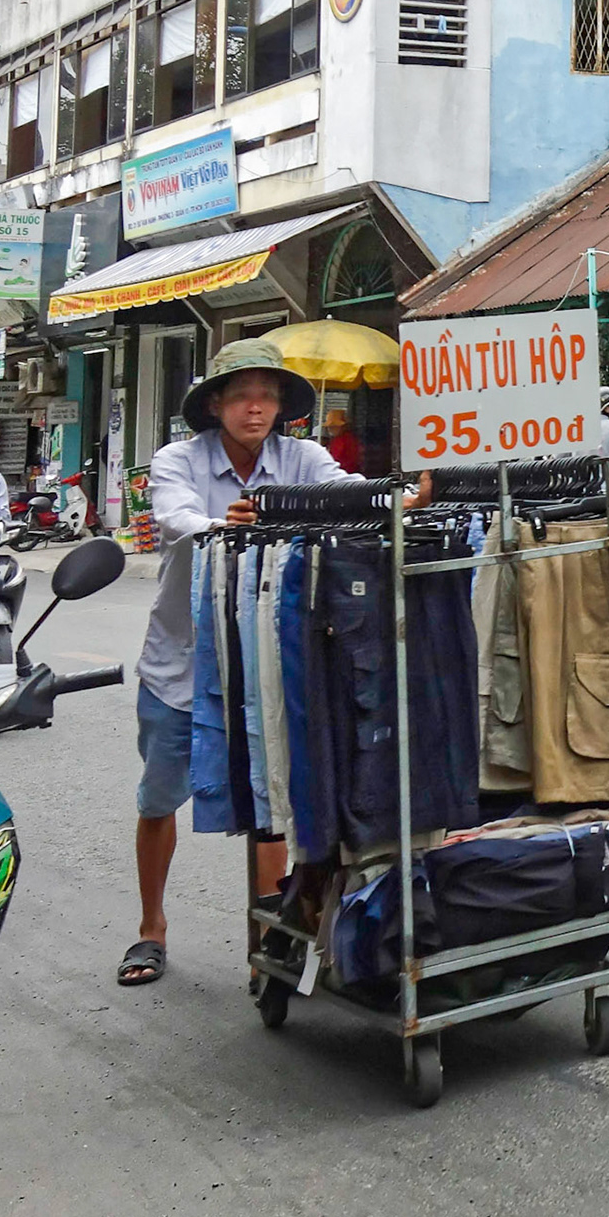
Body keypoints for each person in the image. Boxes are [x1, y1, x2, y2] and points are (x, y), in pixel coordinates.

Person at [118, 338, 428, 987]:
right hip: (182, 661)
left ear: (281, 404)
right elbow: (173, 518)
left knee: (268, 798)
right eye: (241, 395)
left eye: (266, 395)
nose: (254, 408)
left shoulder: (303, 457)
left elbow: (349, 494)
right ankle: (151, 927)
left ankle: (267, 941)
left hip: (264, 654)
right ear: (216, 405)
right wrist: (218, 523)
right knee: (157, 798)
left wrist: (404, 500)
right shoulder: (179, 459)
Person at [321, 408, 362, 473]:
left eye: (333, 426)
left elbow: (337, 460)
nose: (330, 429)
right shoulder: (337, 439)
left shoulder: (345, 440)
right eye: (329, 427)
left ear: (343, 426)